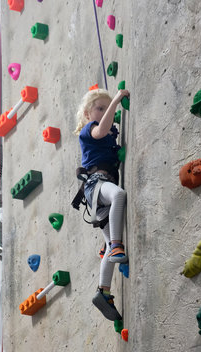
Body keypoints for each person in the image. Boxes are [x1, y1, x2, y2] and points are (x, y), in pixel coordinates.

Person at [73, 88, 129, 321]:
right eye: (100, 108)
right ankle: (117, 244)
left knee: (106, 248)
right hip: (97, 182)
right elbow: (101, 130)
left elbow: (107, 130)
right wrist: (116, 100)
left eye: (107, 108)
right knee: (119, 196)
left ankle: (103, 291)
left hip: (98, 189)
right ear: (87, 114)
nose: (105, 112)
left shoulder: (105, 134)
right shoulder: (88, 131)